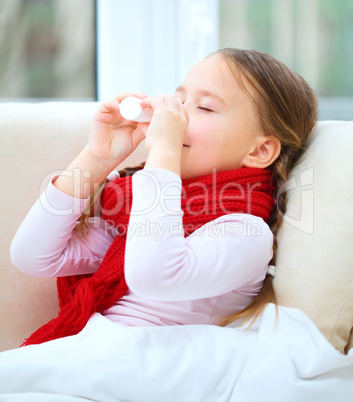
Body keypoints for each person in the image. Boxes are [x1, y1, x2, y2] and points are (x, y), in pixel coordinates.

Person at [9, 48, 318, 347]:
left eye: (205, 107)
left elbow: (152, 276)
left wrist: (165, 153)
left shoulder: (246, 232)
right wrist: (97, 157)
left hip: (147, 364)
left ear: (259, 151)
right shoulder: (132, 214)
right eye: (179, 99)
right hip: (98, 348)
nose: (176, 114)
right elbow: (33, 256)